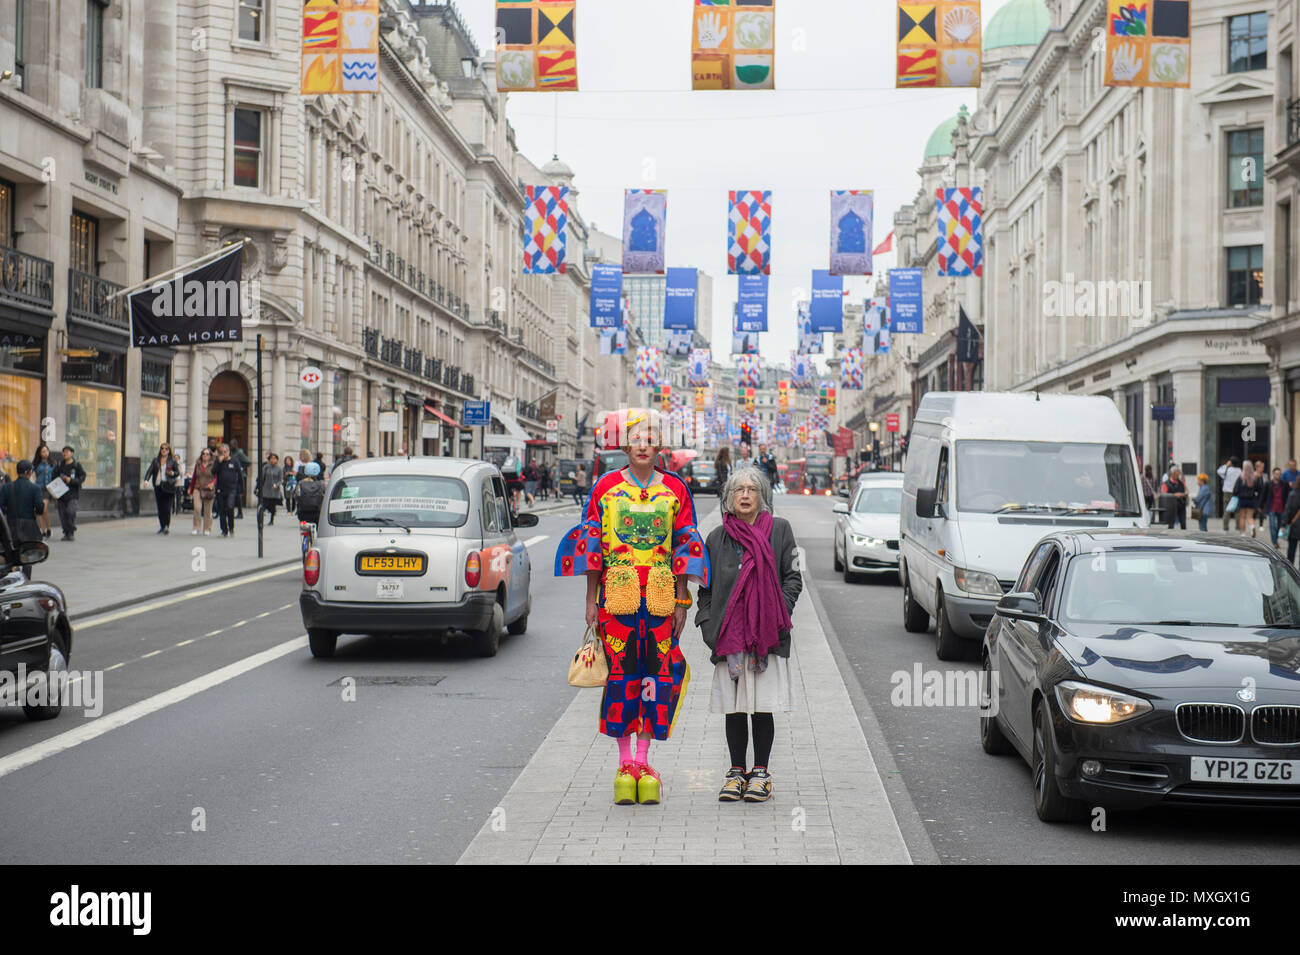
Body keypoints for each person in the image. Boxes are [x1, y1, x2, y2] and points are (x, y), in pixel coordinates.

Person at [554, 408, 709, 807]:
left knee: (658, 676)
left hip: (659, 602)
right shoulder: (606, 487)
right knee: (620, 676)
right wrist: (591, 599)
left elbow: (684, 546)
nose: (643, 444)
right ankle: (626, 768)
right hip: (616, 600)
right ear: (625, 444)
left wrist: (681, 600)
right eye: (636, 438)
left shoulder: (675, 489)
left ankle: (643, 763)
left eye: (651, 437)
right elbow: (592, 549)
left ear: (660, 445)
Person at [697, 464, 801, 803]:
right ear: (728, 498)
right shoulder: (717, 537)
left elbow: (793, 578)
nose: (745, 494)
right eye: (739, 489)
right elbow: (706, 591)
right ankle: (736, 771)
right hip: (730, 639)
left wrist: (776, 612)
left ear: (763, 496)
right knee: (735, 706)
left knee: (762, 706)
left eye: (752, 489)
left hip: (767, 637)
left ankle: (761, 773)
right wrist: (710, 626)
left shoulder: (781, 531)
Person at [1, 460, 45, 548]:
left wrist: (7, 513)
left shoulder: (6, 487)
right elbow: (39, 507)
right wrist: (37, 513)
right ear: (30, 472)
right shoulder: (35, 488)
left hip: (11, 526)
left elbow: (1, 505)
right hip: (29, 527)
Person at [143, 442, 181, 535]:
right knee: (160, 508)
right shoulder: (156, 460)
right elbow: (150, 470)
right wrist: (146, 480)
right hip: (158, 486)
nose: (164, 450)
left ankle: (166, 526)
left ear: (169, 451)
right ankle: (162, 526)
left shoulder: (172, 461)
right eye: (162, 448)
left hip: (168, 486)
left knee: (167, 507)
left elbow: (177, 473)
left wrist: (172, 473)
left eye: (166, 449)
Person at [50, 446, 86, 542]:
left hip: (72, 494)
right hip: (61, 494)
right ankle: (66, 533)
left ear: (72, 453)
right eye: (63, 452)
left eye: (67, 451)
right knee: (63, 514)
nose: (64, 453)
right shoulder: (59, 465)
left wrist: (71, 480)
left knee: (71, 511)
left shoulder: (76, 465)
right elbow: (53, 477)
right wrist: (59, 479)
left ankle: (71, 531)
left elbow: (82, 477)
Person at [212, 444, 242, 538]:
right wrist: (219, 462)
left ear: (228, 452)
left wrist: (241, 489)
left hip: (231, 489)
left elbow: (240, 475)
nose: (223, 454)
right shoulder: (218, 462)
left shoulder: (234, 461)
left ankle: (231, 528)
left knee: (230, 507)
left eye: (225, 452)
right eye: (221, 452)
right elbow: (213, 472)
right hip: (221, 489)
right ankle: (224, 530)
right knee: (222, 510)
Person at [30, 443, 54, 539]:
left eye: (47, 451)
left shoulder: (53, 463)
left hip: (48, 489)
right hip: (38, 489)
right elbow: (31, 475)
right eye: (43, 451)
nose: (45, 453)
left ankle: (48, 528)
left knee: (43, 508)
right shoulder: (35, 464)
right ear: (39, 453)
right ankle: (43, 530)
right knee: (40, 510)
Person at [191, 448, 216, 535]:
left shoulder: (213, 465)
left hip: (208, 489)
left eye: (207, 454)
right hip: (197, 488)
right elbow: (194, 477)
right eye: (203, 454)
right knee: (197, 508)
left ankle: (207, 528)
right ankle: (196, 527)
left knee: (208, 510)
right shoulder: (198, 464)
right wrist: (190, 489)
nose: (205, 455)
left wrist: (213, 483)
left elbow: (217, 476)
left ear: (210, 456)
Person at [258, 453, 284, 527]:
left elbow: (281, 480)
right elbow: (262, 478)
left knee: (272, 507)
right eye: (271, 458)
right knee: (263, 506)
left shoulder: (279, 469)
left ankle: (271, 520)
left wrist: (277, 485)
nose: (273, 460)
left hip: (274, 491)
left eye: (274, 458)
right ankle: (260, 520)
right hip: (266, 490)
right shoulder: (266, 467)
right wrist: (260, 486)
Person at [296, 461, 326, 527]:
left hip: (302, 513)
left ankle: (305, 535)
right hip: (317, 512)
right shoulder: (321, 484)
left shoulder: (300, 483)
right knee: (318, 527)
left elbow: (297, 495)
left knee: (303, 526)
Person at [1234, 463, 1260, 536]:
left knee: (1242, 517)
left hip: (1242, 499)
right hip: (1251, 499)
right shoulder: (1254, 478)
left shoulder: (1241, 477)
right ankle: (1252, 527)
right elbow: (1258, 489)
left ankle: (1243, 533)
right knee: (1250, 517)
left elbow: (1235, 490)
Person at [1217, 456, 1242, 531]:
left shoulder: (1227, 470)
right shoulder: (1239, 471)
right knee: (1237, 510)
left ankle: (1225, 527)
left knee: (1226, 510)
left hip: (1227, 492)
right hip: (1236, 492)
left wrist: (1226, 465)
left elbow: (1219, 471)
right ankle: (1237, 527)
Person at [228, 439, 250, 519]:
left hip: (239, 475)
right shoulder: (231, 453)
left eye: (232, 445)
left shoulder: (239, 453)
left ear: (235, 445)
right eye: (230, 445)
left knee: (238, 495)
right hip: (233, 475)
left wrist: (241, 467)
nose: (231, 446)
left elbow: (248, 461)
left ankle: (240, 512)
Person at [1266, 467, 1288, 546]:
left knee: (1279, 526)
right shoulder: (1268, 484)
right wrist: (1261, 506)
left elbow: (1287, 496)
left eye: (1279, 474)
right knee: (1272, 525)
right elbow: (1264, 495)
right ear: (1273, 474)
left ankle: (1276, 539)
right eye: (1276, 474)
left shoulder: (1285, 484)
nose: (1278, 475)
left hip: (1281, 508)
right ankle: (1274, 542)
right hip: (1272, 507)